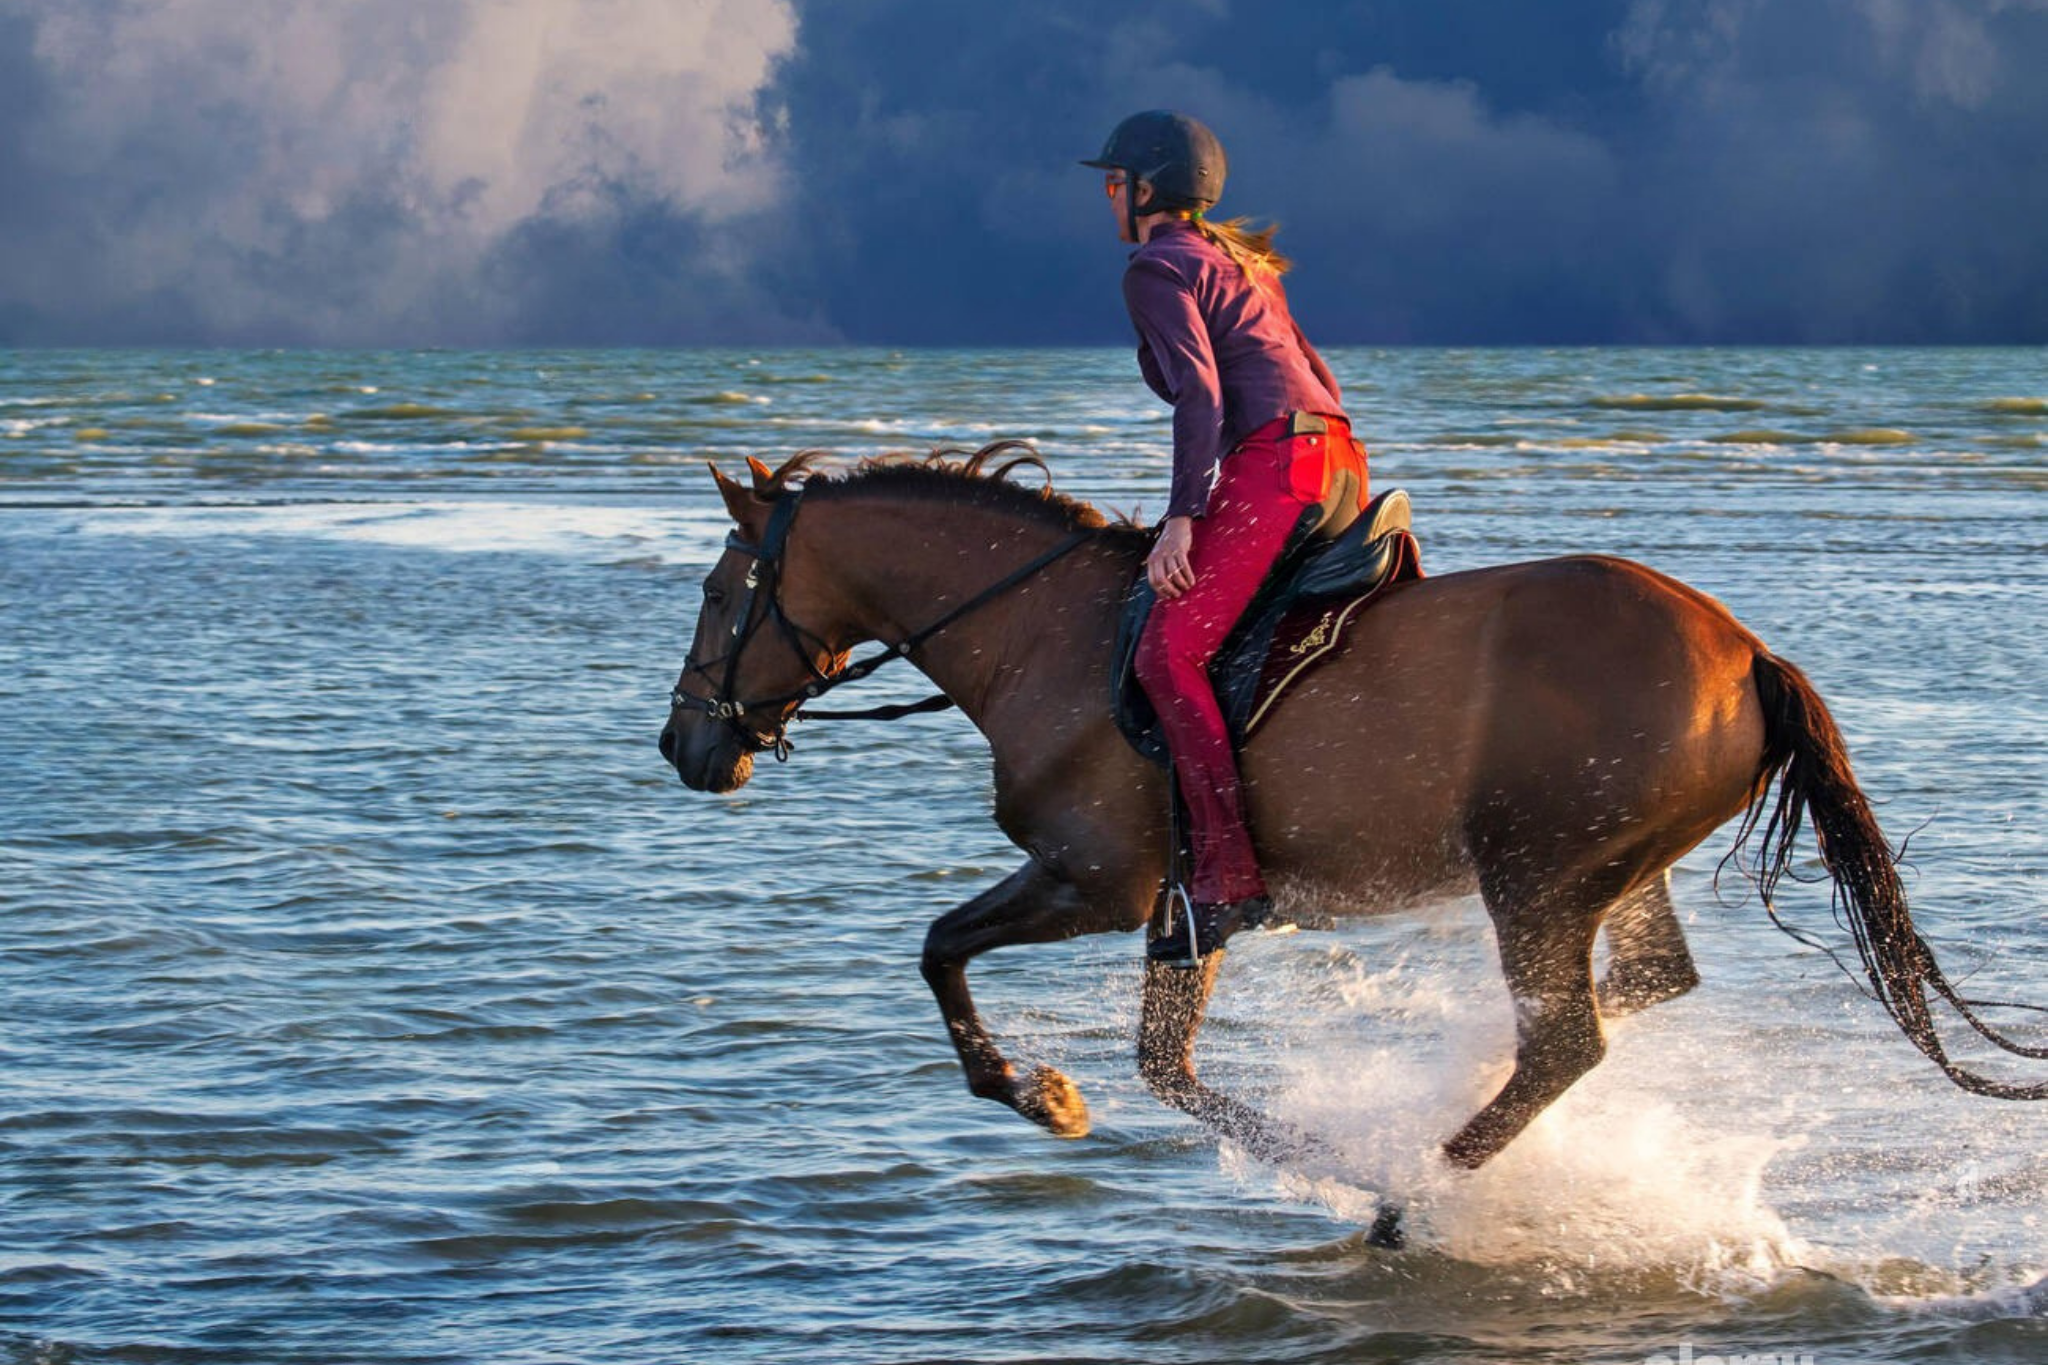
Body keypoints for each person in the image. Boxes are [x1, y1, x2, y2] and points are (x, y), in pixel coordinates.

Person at [1082, 109, 1367, 966]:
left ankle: (1230, 879)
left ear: (1144, 190)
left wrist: (1182, 518)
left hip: (1277, 464)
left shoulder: (1155, 265)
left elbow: (1202, 397)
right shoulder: (1244, 261)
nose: (1107, 197)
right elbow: (1321, 376)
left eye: (1113, 182)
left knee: (1167, 655)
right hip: (1338, 456)